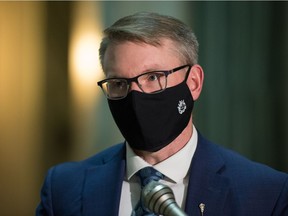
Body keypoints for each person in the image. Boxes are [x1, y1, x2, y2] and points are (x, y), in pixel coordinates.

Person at [36, 12, 288, 216]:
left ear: (194, 82)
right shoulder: (63, 188)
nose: (135, 96)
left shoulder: (266, 193)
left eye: (154, 77)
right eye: (118, 83)